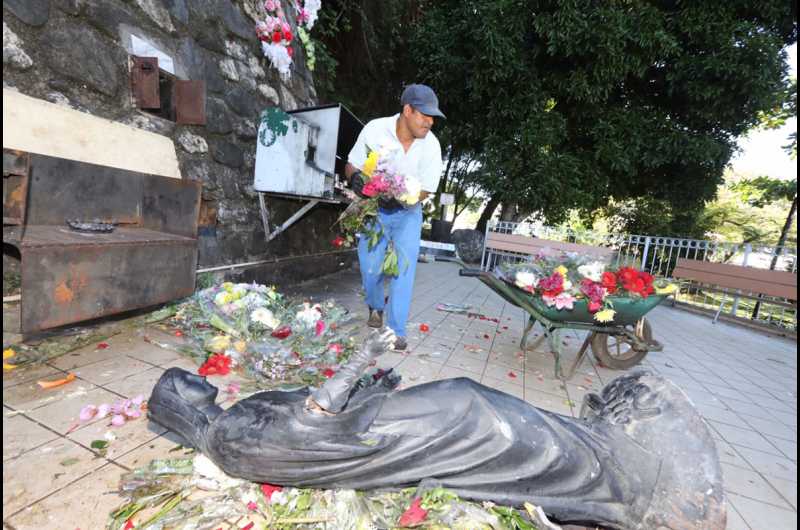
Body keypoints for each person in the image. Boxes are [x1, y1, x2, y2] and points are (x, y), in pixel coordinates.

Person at [148, 329, 726, 529]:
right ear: (180, 401)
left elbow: (315, 423)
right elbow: (308, 423)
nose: (200, 381)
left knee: (496, 433)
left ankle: (606, 477)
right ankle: (631, 485)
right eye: (186, 382)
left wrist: (371, 386)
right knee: (494, 430)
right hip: (393, 437)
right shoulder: (229, 437)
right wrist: (358, 360)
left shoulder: (226, 434)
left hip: (379, 431)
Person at [345, 84, 445, 351]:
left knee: (403, 269)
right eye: (424, 115)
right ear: (407, 109)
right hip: (374, 210)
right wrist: (355, 177)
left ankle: (396, 331)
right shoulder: (376, 130)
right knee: (370, 267)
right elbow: (352, 163)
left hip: (408, 213)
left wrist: (402, 197)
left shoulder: (432, 146)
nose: (430, 121)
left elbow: (426, 189)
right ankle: (376, 306)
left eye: (432, 116)